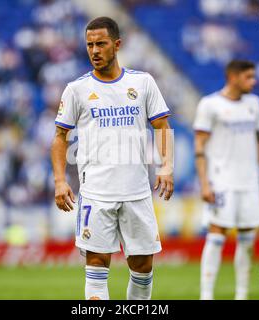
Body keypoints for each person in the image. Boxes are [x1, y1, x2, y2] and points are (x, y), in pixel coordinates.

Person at [50, 17, 174, 300]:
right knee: (96, 264)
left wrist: (166, 167)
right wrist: (59, 180)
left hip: (137, 192)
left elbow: (162, 127)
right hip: (96, 193)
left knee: (142, 267)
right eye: (89, 45)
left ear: (117, 45)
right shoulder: (76, 90)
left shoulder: (142, 83)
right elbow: (60, 138)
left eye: (101, 44)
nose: (94, 51)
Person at [193, 60, 259, 300]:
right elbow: (199, 145)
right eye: (249, 77)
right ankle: (206, 295)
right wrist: (204, 183)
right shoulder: (210, 105)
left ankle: (242, 295)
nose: (254, 82)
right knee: (217, 235)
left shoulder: (254, 104)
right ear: (233, 77)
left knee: (248, 238)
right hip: (221, 181)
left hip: (249, 182)